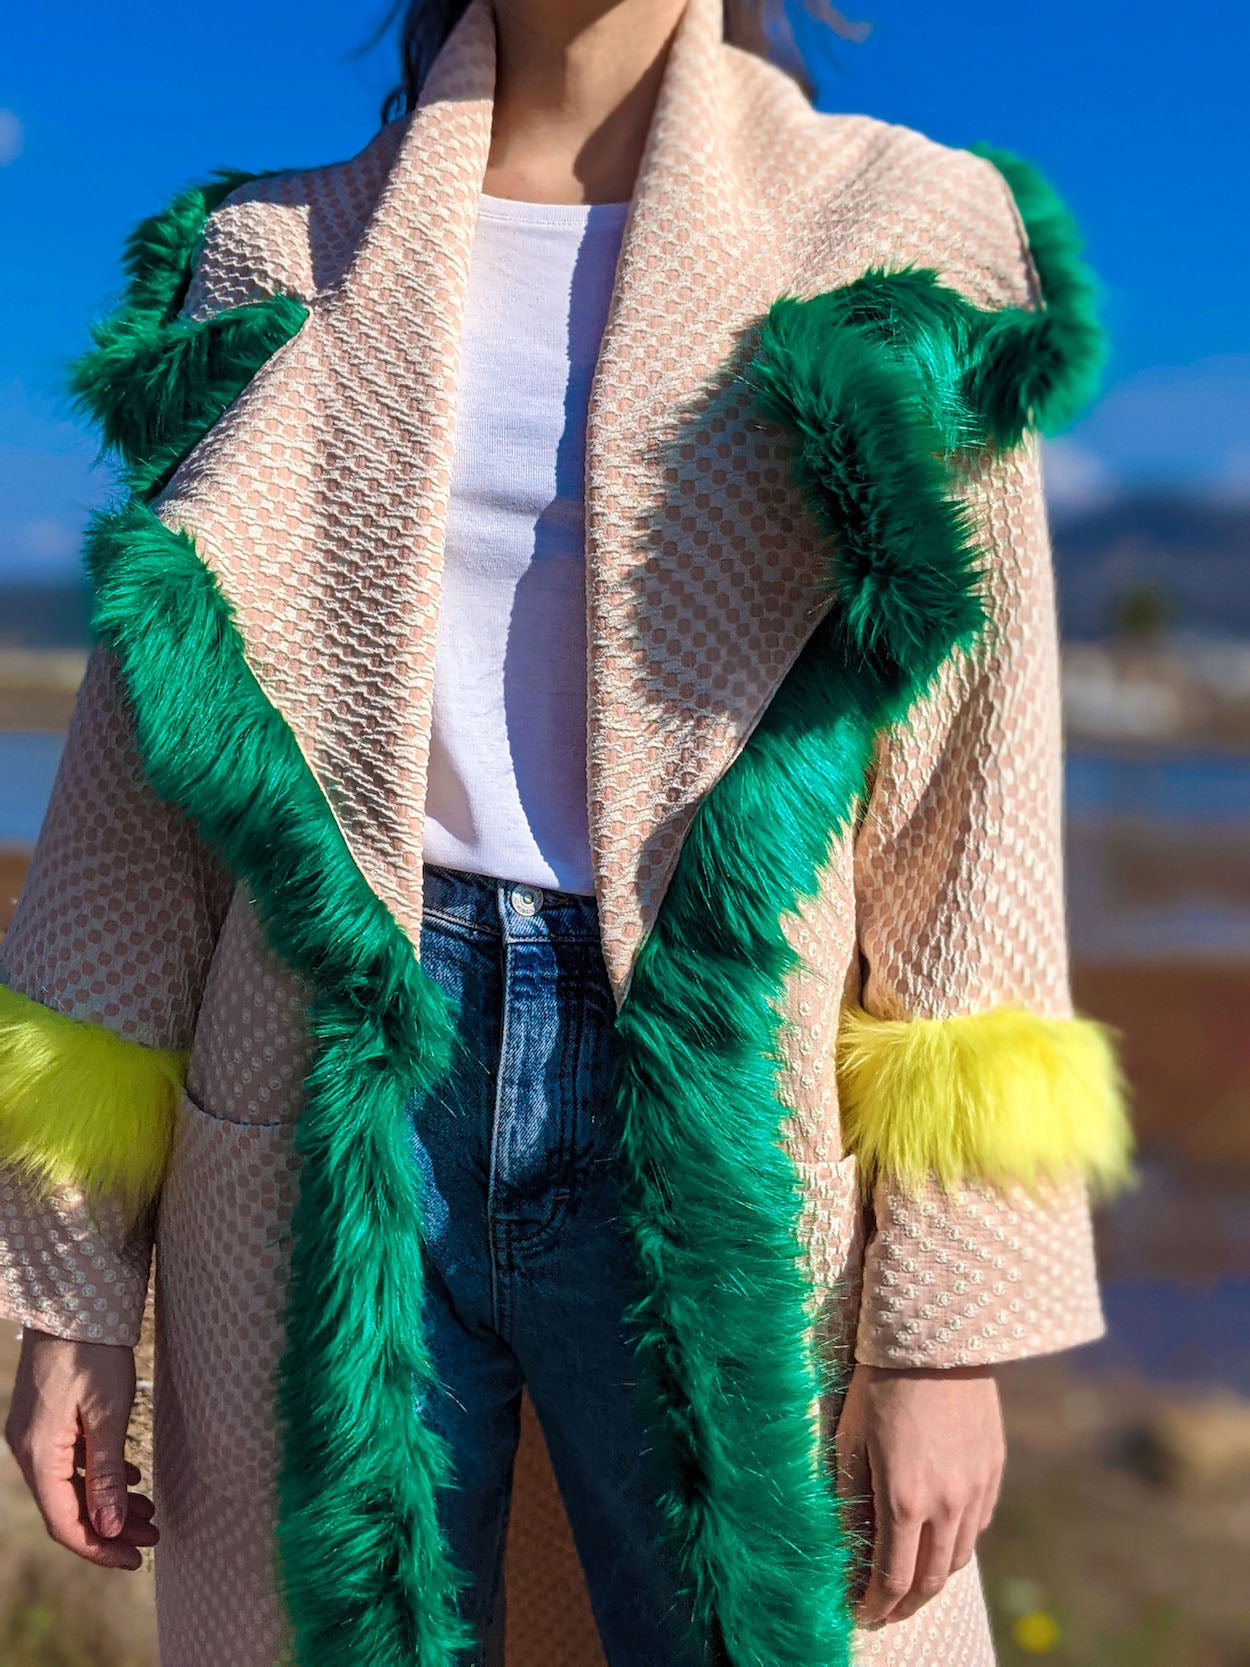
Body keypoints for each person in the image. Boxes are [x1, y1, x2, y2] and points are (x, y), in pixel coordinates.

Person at [0, 1, 1132, 1663]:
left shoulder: (902, 225)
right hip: (324, 1111)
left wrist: (941, 1331)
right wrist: (70, 1290)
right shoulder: (270, 251)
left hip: (727, 1104)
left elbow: (966, 809)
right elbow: (132, 816)